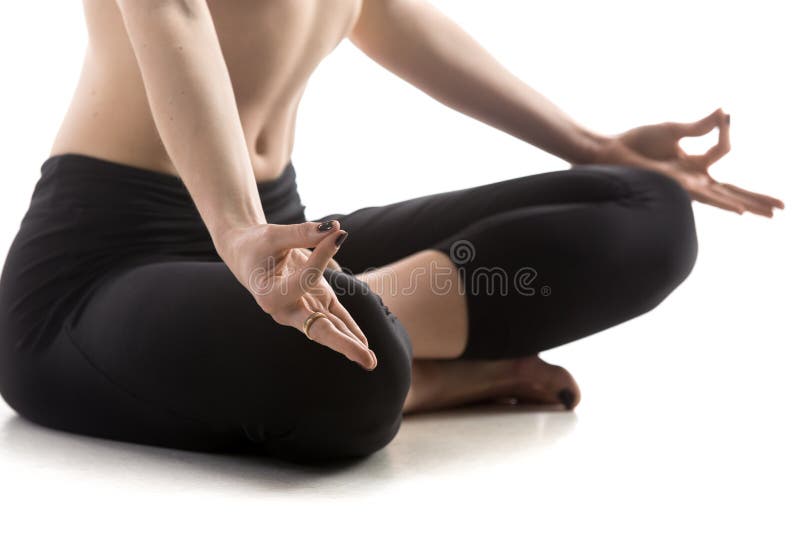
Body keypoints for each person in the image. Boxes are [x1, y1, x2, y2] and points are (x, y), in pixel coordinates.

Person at [0, 0, 783, 464]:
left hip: (277, 241)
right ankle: (411, 364)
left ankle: (370, 339)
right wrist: (236, 228)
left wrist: (593, 147)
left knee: (644, 211)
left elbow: (382, 14)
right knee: (358, 369)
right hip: (92, 276)